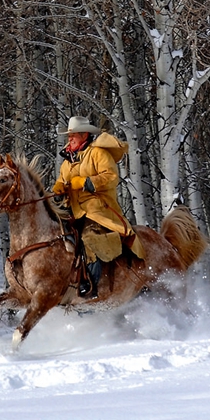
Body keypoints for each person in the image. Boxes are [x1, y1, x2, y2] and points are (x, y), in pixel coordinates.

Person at [51, 116, 144, 298]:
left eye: (73, 135)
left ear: (85, 135)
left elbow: (110, 177)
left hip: (97, 209)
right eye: (68, 136)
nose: (69, 139)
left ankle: (90, 286)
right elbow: (62, 181)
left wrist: (84, 182)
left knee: (89, 238)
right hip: (71, 210)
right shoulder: (66, 161)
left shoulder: (98, 154)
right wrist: (59, 188)